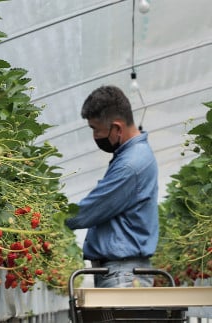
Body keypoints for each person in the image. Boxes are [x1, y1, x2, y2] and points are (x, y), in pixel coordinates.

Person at [65, 85, 159, 288]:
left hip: (122, 276)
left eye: (96, 129)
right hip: (120, 273)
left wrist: (50, 218)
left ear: (117, 128)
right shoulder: (132, 157)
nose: (95, 136)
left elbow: (90, 210)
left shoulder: (131, 164)